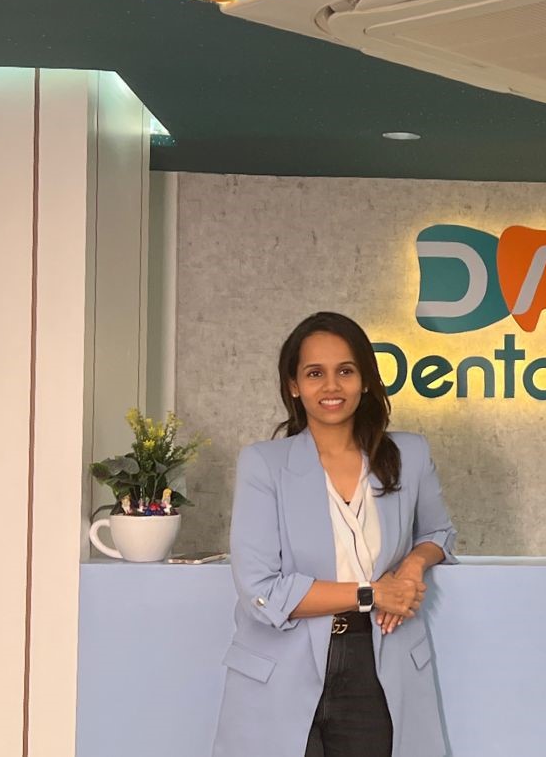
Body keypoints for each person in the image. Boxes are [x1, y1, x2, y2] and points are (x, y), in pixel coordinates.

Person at [211, 311, 458, 757]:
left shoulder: (410, 454)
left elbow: (439, 531)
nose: (331, 386)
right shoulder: (264, 464)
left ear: (365, 381)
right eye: (314, 373)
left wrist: (412, 567)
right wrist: (373, 594)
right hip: (280, 665)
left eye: (345, 371)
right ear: (293, 385)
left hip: (377, 660)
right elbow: (261, 590)